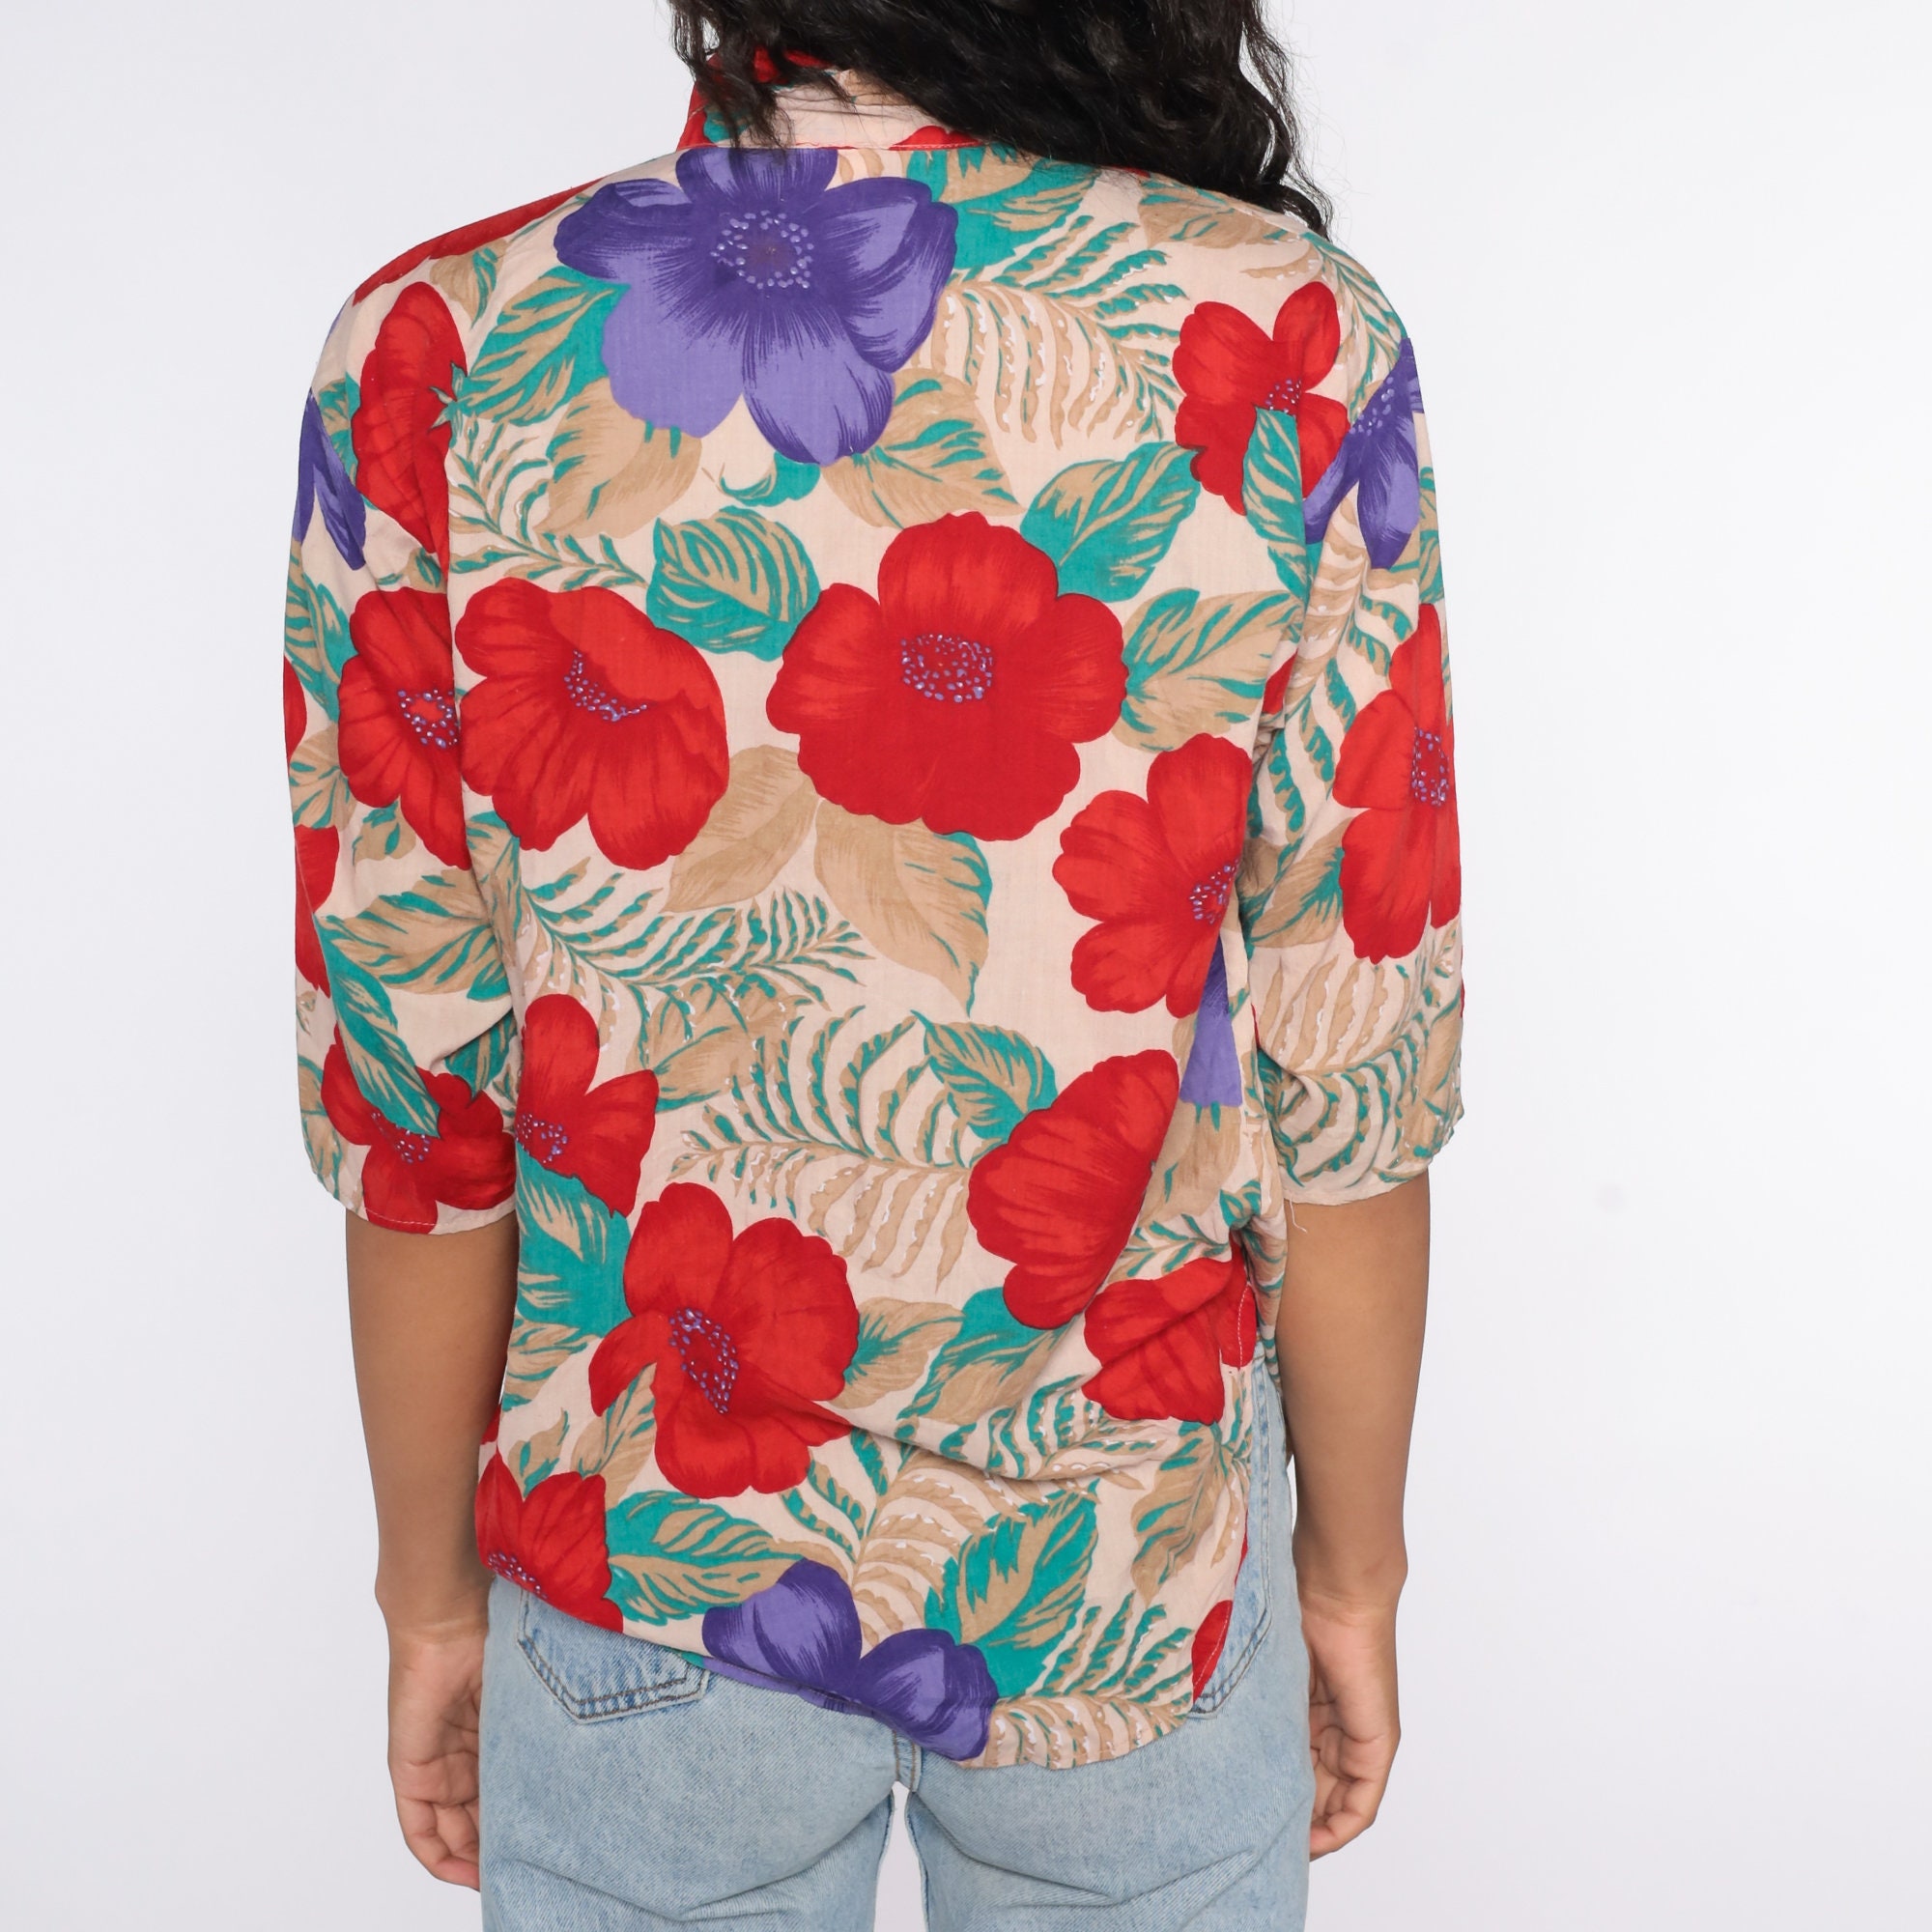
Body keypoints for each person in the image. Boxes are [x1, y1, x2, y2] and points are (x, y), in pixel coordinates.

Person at [282, 4, 1463, 1924]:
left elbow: (416, 1099)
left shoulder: (436, 346)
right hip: (1127, 1567)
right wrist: (1353, 1572)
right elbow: (1357, 1068)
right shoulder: (1289, 332)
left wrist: (429, 1598)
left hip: (646, 1565)